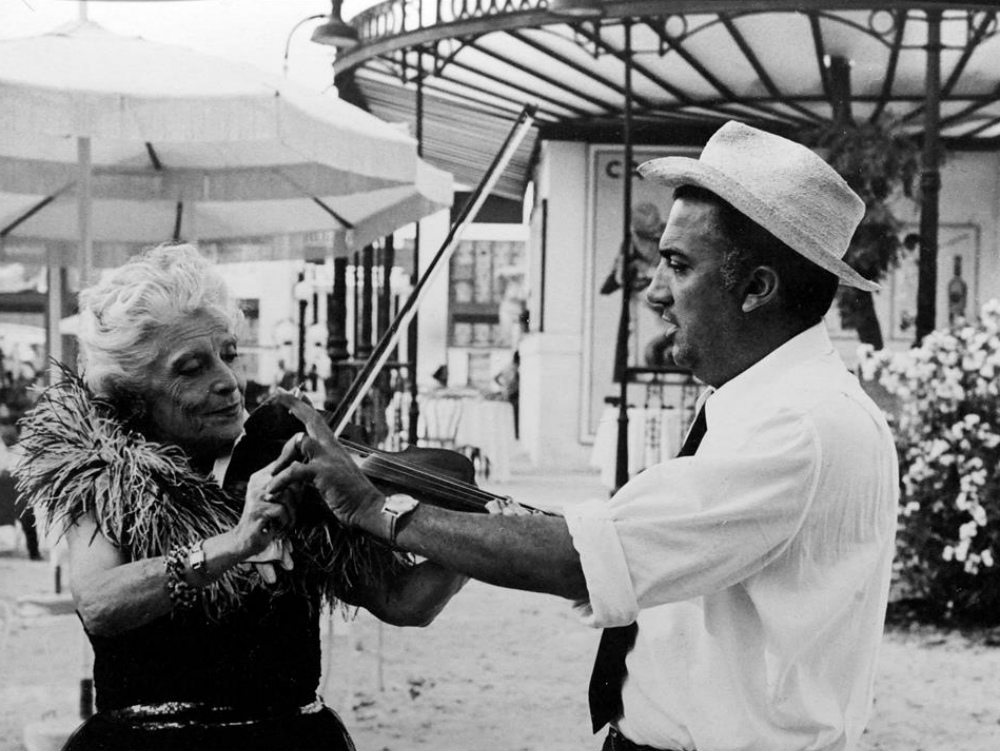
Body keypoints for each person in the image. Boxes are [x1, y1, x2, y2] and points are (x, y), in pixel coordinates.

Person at [265, 121, 899, 751]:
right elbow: (643, 542)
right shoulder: (764, 401)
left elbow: (581, 558)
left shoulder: (796, 426)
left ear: (757, 288)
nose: (654, 291)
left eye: (678, 265)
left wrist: (376, 509)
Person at [14, 244, 473, 751]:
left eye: (229, 355)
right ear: (134, 396)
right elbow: (101, 603)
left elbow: (404, 601)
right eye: (191, 368)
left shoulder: (289, 465)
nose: (228, 382)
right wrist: (235, 542)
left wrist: (478, 531)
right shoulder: (104, 473)